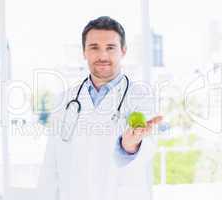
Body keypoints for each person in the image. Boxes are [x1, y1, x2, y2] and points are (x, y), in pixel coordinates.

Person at [37, 16, 163, 200]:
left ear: (123, 51)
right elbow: (51, 165)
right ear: (84, 52)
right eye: (94, 47)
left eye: (110, 48)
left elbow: (149, 149)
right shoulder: (65, 100)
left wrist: (129, 146)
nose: (102, 56)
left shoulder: (140, 97)